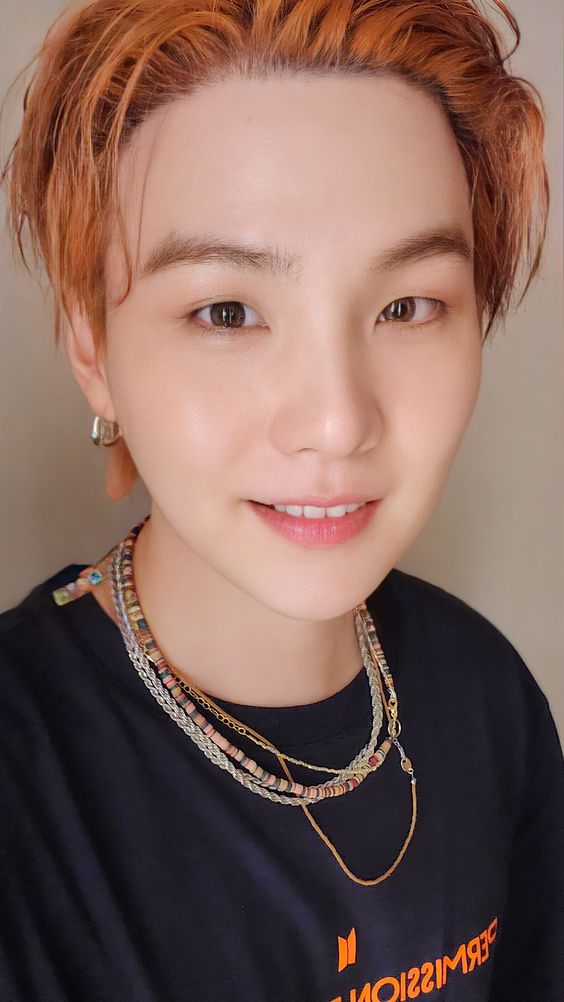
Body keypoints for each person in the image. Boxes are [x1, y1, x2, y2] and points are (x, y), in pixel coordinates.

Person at [0, 0, 562, 999]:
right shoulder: (27, 779)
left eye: (407, 306)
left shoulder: (487, 695)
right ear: (93, 348)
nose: (338, 423)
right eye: (227, 311)